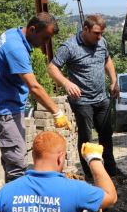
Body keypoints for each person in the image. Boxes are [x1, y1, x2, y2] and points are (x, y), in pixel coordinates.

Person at [0, 13, 72, 183]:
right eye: (45, 38)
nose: (46, 44)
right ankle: (17, 204)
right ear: (33, 29)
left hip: (9, 107)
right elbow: (34, 87)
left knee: (13, 157)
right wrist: (57, 112)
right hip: (4, 111)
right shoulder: (15, 48)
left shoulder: (12, 34)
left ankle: (11, 197)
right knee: (17, 162)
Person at [47, 14, 122, 179]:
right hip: (82, 101)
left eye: (101, 33)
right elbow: (52, 68)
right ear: (85, 29)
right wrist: (67, 83)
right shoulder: (70, 46)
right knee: (87, 138)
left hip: (101, 98)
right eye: (96, 33)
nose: (99, 37)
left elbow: (107, 60)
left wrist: (113, 80)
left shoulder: (101, 42)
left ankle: (111, 170)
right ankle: (90, 174)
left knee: (106, 134)